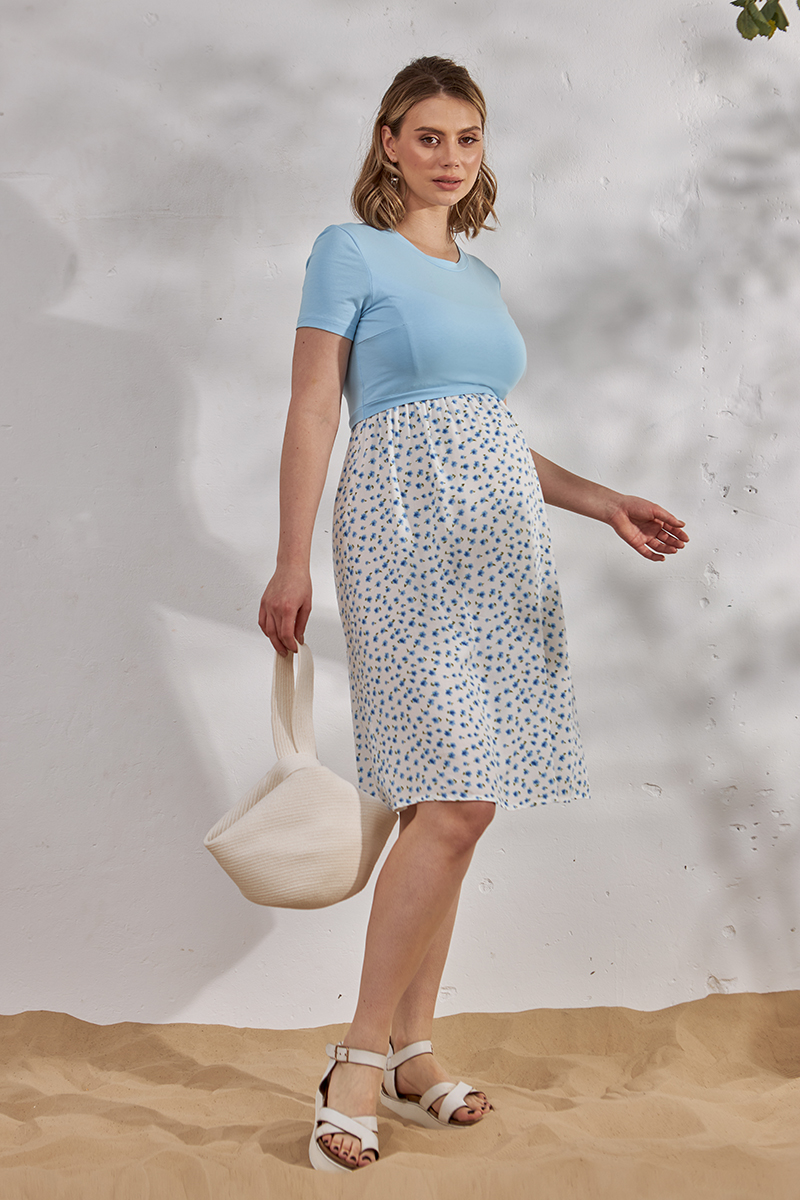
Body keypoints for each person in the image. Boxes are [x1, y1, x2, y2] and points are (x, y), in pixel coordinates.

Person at [258, 56, 688, 1173]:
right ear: (388, 142)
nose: (450, 157)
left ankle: (412, 1053)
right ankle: (355, 1061)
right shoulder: (348, 251)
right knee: (453, 797)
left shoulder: (483, 278)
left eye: (468, 138)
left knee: (452, 807)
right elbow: (315, 406)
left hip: (500, 544)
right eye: (429, 136)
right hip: (399, 529)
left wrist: (602, 501)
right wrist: (290, 560)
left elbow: (487, 428)